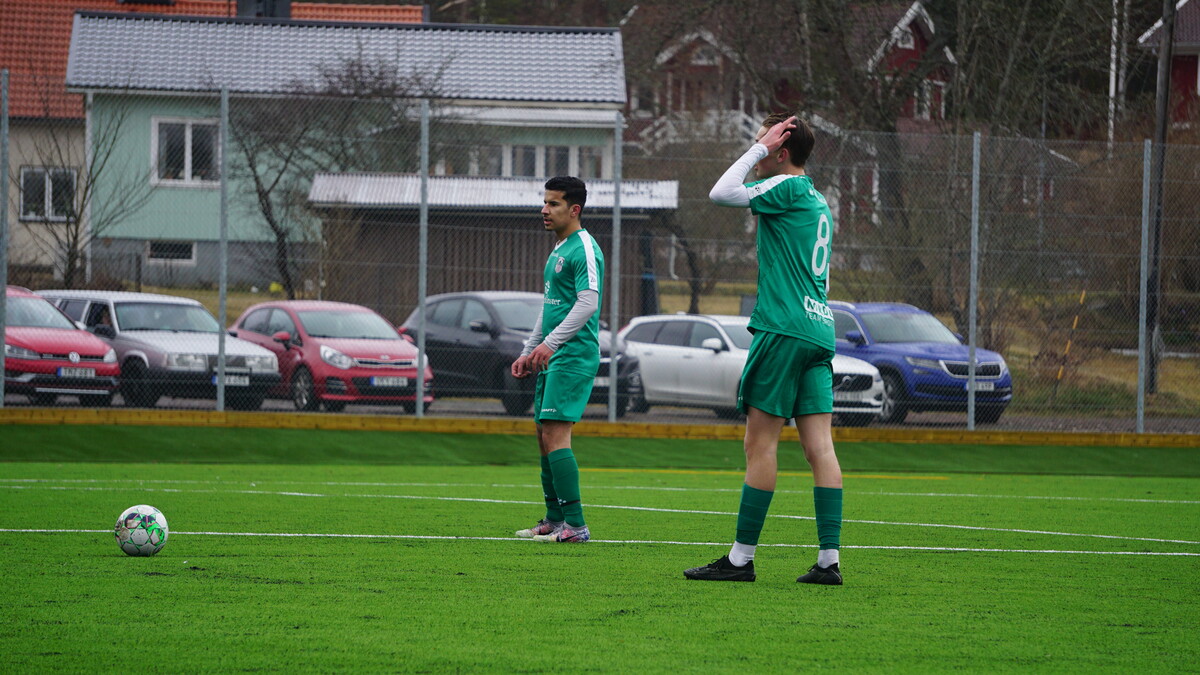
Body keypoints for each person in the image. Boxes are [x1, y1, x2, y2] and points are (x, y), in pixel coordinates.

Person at [683, 113, 844, 585]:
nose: (755, 152)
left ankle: (740, 559)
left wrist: (760, 148)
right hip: (819, 328)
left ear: (781, 150)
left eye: (765, 143)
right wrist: (764, 147)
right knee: (820, 448)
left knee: (760, 444)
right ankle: (829, 561)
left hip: (784, 328)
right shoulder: (817, 198)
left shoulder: (787, 186)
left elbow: (721, 192)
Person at [511, 176, 605, 544]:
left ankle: (576, 527)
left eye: (553, 204)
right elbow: (550, 307)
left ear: (574, 209)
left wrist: (550, 344)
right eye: (545, 202)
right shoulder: (560, 248)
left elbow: (588, 302)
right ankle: (554, 519)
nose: (544, 210)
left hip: (573, 355)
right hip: (553, 355)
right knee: (543, 434)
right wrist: (529, 349)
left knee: (554, 432)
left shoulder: (584, 248)